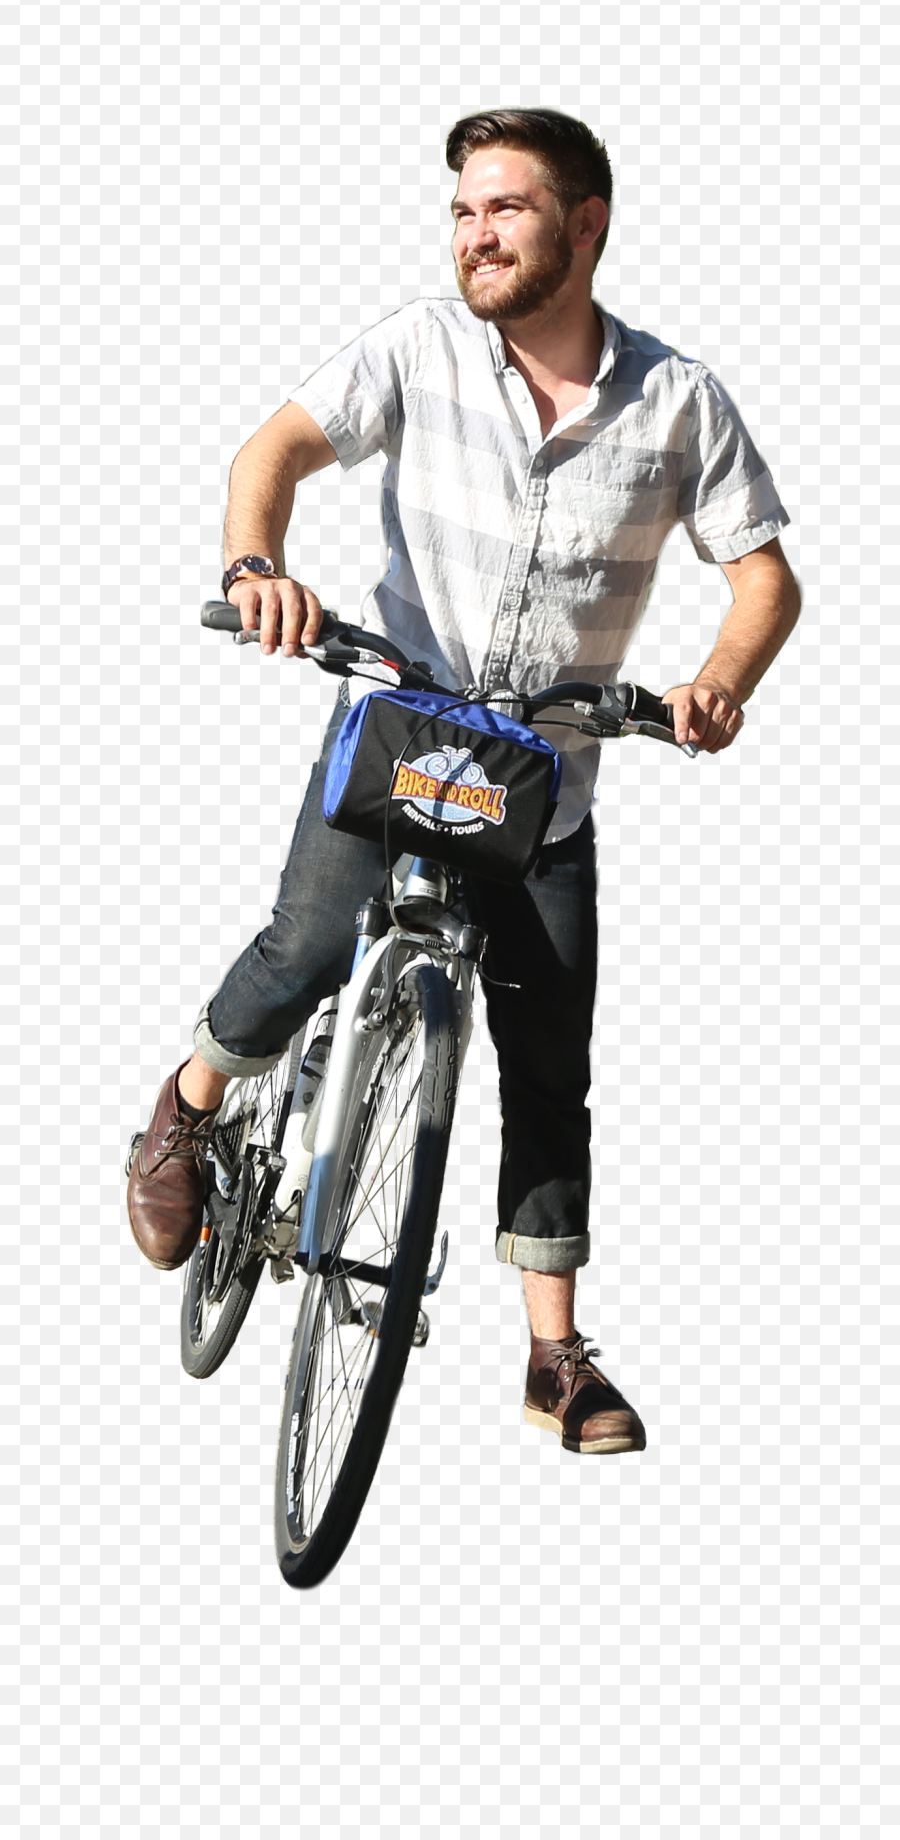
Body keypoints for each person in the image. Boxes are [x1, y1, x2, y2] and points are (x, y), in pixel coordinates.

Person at [128, 107, 800, 1456]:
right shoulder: (416, 351)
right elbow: (273, 453)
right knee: (306, 942)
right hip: (402, 737)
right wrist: (259, 567)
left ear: (585, 225)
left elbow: (765, 575)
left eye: (505, 209)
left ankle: (554, 1356)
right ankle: (188, 1107)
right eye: (461, 211)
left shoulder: (677, 404)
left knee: (549, 1069)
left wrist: (719, 679)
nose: (473, 234)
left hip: (546, 785)